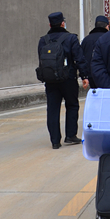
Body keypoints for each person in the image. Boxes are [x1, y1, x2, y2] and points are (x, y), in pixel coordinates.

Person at [39, 12, 89, 149]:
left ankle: (55, 141)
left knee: (52, 109)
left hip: (50, 81)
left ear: (50, 25)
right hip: (68, 79)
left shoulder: (43, 40)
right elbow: (79, 58)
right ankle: (70, 135)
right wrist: (84, 76)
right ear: (63, 23)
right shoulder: (71, 38)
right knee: (72, 105)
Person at [80, 15, 110, 88]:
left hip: (90, 75)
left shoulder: (86, 40)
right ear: (107, 26)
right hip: (106, 75)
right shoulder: (109, 38)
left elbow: (81, 57)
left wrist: (84, 75)